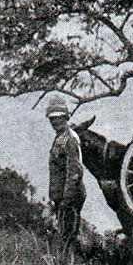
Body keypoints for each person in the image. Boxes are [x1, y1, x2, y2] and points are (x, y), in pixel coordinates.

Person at [46, 96, 85, 248]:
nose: (54, 122)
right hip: (60, 196)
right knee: (62, 232)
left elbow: (74, 171)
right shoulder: (59, 138)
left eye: (58, 118)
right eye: (52, 119)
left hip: (70, 195)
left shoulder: (70, 138)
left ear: (65, 117)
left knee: (69, 234)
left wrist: (67, 198)